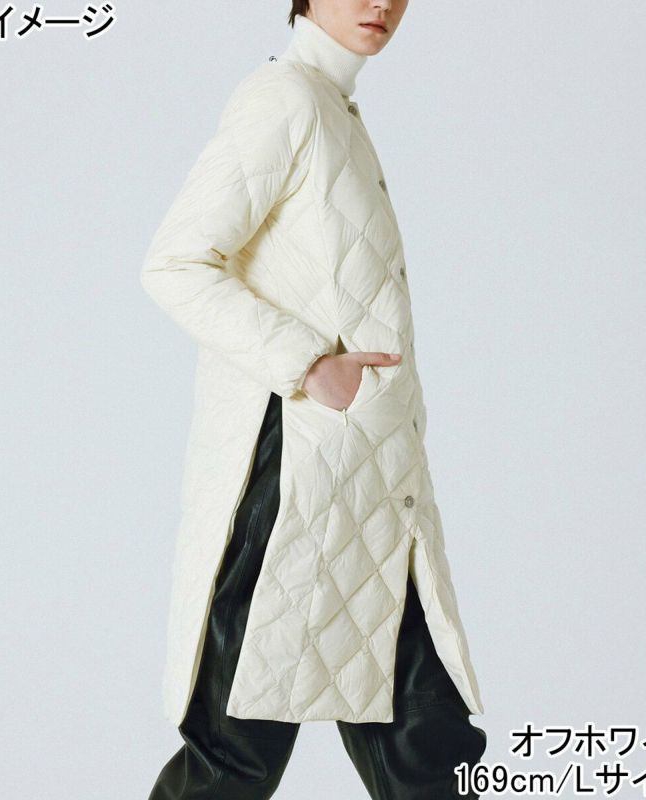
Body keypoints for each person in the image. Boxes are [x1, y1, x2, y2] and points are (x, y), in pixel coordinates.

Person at [140, 2, 488, 797]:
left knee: (429, 753)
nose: (381, 4)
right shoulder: (285, 100)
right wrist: (308, 364)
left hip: (369, 485)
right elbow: (174, 264)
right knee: (234, 759)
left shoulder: (333, 108)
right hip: (291, 481)